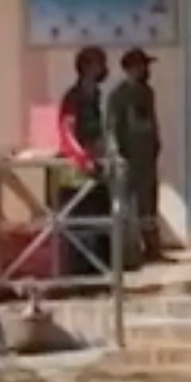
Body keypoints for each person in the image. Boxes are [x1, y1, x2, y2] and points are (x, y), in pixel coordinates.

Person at [106, 48, 163, 262]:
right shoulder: (118, 96)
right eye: (142, 66)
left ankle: (153, 249)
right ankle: (127, 254)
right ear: (132, 68)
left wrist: (156, 144)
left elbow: (151, 122)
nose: (146, 70)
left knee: (149, 206)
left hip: (147, 158)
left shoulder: (147, 92)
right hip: (128, 158)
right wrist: (117, 155)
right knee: (125, 207)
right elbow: (112, 128)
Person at [57, 46, 110, 276]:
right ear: (86, 67)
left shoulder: (95, 94)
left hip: (95, 164)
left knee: (99, 218)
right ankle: (79, 275)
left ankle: (97, 271)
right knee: (80, 222)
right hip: (76, 170)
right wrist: (82, 158)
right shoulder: (73, 96)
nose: (102, 69)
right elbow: (67, 131)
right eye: (98, 63)